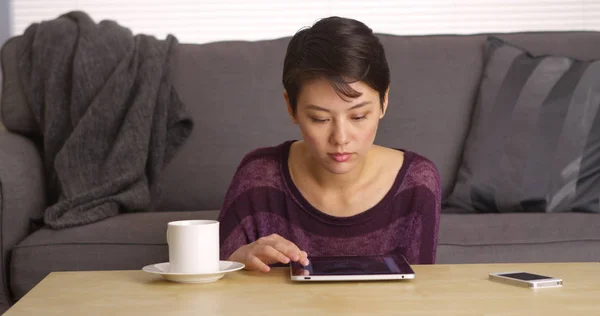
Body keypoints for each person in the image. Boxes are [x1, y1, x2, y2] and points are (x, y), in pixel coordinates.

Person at [218, 16, 441, 272]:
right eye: (320, 119)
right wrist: (235, 262)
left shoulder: (416, 182)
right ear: (291, 107)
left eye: (358, 116)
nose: (341, 138)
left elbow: (421, 296)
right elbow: (211, 288)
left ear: (384, 102)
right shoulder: (258, 177)